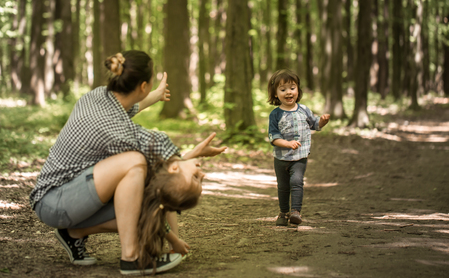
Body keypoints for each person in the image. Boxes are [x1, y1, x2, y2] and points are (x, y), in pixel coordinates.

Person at [29, 50, 227, 275]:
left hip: (71, 193)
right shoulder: (118, 132)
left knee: (144, 190)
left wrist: (156, 95)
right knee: (135, 164)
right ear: (142, 86)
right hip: (55, 202)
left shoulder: (98, 96)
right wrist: (189, 157)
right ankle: (131, 258)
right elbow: (157, 154)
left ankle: (74, 232)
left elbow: (130, 108)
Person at [267, 69, 330, 226]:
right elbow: (273, 137)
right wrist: (287, 144)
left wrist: (322, 121)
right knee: (283, 186)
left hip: (300, 156)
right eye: (283, 89)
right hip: (281, 158)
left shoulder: (304, 110)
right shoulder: (275, 115)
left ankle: (295, 212)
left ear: (298, 90)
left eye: (292, 88)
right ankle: (283, 213)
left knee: (296, 182)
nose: (288, 92)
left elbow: (314, 124)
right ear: (276, 94)